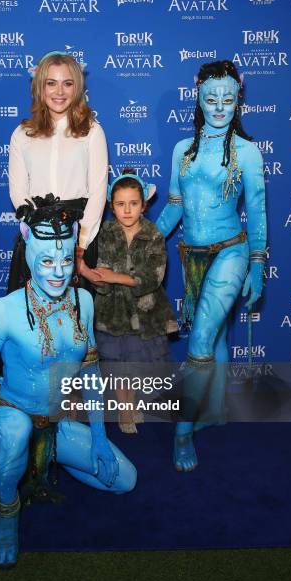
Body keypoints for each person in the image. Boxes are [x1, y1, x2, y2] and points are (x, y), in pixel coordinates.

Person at [0, 195, 137, 568]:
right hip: (5, 418)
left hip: (54, 423)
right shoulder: (3, 311)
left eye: (66, 260)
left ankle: (47, 458)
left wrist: (100, 439)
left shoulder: (83, 302)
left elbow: (90, 375)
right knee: (17, 431)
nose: (57, 271)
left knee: (124, 480)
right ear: (28, 256)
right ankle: (7, 514)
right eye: (46, 261)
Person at [156, 60, 267, 471]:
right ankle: (215, 411)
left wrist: (256, 263)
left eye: (228, 99)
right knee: (216, 337)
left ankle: (183, 433)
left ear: (240, 96)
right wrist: (145, 237)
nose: (219, 107)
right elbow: (174, 207)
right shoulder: (181, 151)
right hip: (193, 257)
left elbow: (256, 209)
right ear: (197, 94)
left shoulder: (248, 152)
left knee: (200, 342)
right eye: (210, 98)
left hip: (231, 252)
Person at [8, 51, 108, 290]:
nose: (59, 92)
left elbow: (97, 192)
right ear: (39, 87)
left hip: (78, 233)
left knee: (75, 318)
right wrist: (38, 235)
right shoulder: (22, 134)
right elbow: (18, 192)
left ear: (77, 88)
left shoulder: (92, 131)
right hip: (35, 235)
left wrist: (80, 240)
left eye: (67, 83)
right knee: (32, 320)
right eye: (51, 83)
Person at [92, 170, 178, 433]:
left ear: (144, 205)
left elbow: (153, 277)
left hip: (144, 313)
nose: (127, 210)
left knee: (135, 365)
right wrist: (99, 278)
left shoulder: (153, 235)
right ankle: (124, 409)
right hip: (112, 312)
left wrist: (114, 276)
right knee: (118, 366)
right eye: (120, 204)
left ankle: (133, 404)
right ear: (111, 206)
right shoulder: (104, 233)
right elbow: (101, 271)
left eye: (133, 203)